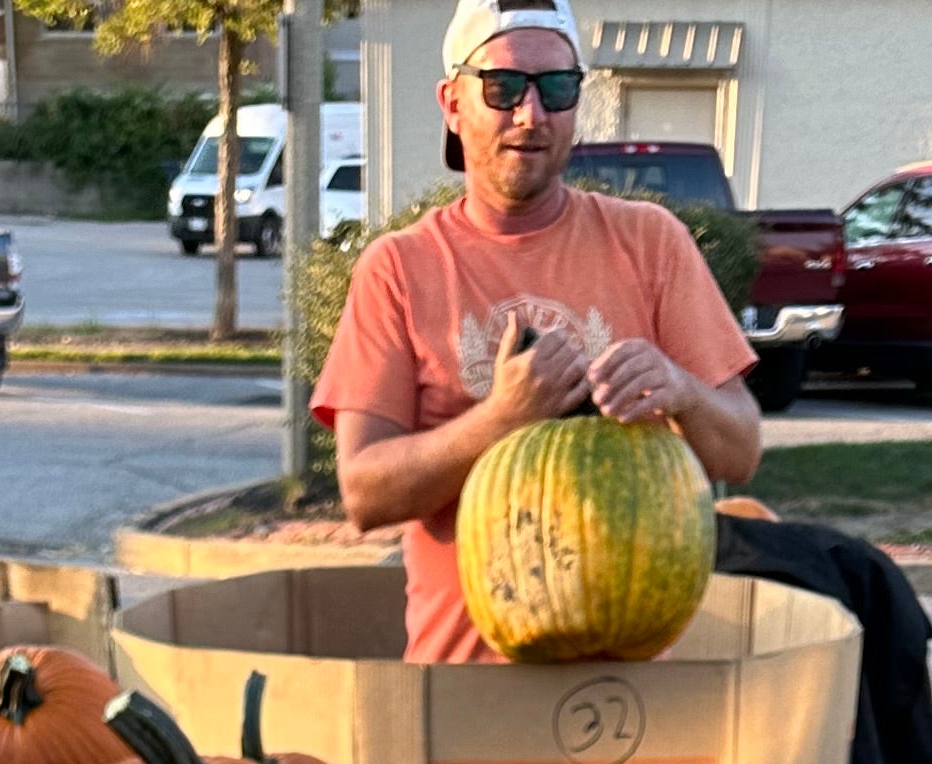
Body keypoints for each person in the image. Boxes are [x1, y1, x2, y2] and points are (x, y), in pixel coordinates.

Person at [314, 0, 764, 665]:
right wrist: (501, 418)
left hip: (632, 685)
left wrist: (682, 392)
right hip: (464, 689)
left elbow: (740, 450)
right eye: (503, 88)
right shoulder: (400, 268)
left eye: (557, 89)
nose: (532, 114)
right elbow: (364, 493)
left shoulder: (649, 242)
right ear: (452, 102)